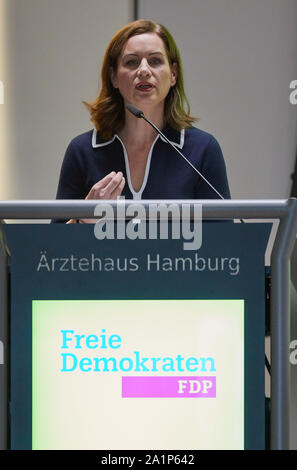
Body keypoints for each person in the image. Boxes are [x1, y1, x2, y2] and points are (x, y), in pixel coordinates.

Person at [53, 19, 230, 223]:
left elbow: (225, 243)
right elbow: (53, 252)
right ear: (114, 77)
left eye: (155, 61)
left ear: (173, 74)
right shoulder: (82, 150)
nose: (144, 70)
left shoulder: (202, 150)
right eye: (131, 62)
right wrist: (82, 220)